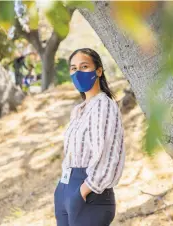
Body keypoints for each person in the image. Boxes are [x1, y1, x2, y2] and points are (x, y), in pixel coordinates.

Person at [54, 48, 125, 226]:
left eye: (84, 66)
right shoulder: (78, 110)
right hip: (66, 189)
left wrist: (84, 191)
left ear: (98, 71)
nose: (78, 73)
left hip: (89, 195)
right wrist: (62, 191)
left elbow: (108, 156)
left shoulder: (104, 105)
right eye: (73, 68)